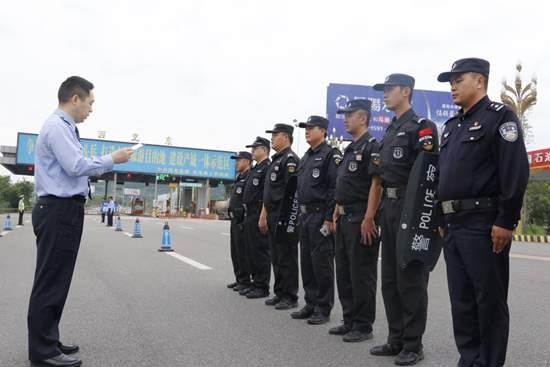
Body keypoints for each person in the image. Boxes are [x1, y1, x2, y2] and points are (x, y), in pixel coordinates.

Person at [28, 76, 133, 367]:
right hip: (58, 210)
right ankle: (43, 352)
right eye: (90, 102)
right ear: (75, 99)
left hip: (63, 211)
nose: (91, 109)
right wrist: (112, 158)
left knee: (57, 280)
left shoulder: (65, 128)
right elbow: (75, 166)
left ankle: (48, 338)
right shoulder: (57, 127)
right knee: (51, 281)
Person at [436, 58, 529, 367]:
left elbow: (514, 172)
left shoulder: (499, 118)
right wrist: (440, 218)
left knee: (487, 301)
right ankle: (470, 359)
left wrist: (506, 220)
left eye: (458, 79)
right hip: (453, 225)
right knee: (461, 302)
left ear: (479, 81)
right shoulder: (451, 128)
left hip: (483, 224)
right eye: (451, 81)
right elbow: (443, 177)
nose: (452, 86)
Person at [369, 74, 439, 365]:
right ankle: (395, 338)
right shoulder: (390, 131)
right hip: (389, 206)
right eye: (383, 90)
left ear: (406, 91)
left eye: (389, 89)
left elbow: (428, 174)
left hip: (410, 208)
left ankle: (413, 343)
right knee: (390, 279)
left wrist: (424, 216)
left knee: (410, 277)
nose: (385, 94)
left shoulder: (421, 128)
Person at [330, 99, 382, 342]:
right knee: (344, 272)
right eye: (345, 114)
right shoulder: (350, 149)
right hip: (344, 217)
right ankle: (349, 319)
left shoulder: (372, 146)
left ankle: (363, 325)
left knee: (361, 273)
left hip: (361, 217)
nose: (345, 118)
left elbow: (376, 184)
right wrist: (336, 210)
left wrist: (369, 217)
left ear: (363, 118)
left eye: (350, 115)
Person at [292, 116, 340, 325]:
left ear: (323, 131)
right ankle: (310, 302)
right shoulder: (306, 157)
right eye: (305, 128)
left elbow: (333, 188)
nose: (307, 131)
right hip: (305, 215)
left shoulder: (330, 155)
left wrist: (329, 218)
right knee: (307, 262)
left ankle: (323, 306)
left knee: (322, 263)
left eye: (311, 128)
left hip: (321, 215)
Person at [260, 123, 300, 310]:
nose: (272, 138)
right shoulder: (276, 160)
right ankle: (280, 292)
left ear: (285, 137)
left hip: (284, 214)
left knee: (287, 256)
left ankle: (290, 296)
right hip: (273, 213)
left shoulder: (290, 160)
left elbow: (290, 192)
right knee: (276, 256)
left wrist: (287, 217)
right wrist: (265, 214)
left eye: (275, 135)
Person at [241, 137, 272, 299]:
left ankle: (262, 285)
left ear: (265, 150)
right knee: (251, 251)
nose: (252, 151)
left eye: (256, 148)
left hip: (259, 211)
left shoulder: (267, 168)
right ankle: (255, 282)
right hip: (250, 213)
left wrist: (263, 216)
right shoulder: (256, 169)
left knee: (260, 251)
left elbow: (267, 195)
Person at [227, 151, 252, 294]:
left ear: (248, 161)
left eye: (239, 160)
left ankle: (245, 280)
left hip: (243, 219)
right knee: (235, 251)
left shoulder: (249, 177)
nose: (236, 163)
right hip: (234, 219)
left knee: (243, 251)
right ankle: (239, 278)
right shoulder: (239, 177)